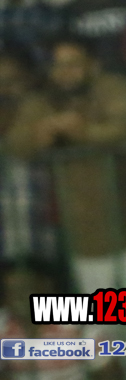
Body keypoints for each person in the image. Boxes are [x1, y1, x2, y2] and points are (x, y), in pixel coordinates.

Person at [8, 36, 126, 380]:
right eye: (58, 65)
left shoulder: (111, 88)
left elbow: (124, 127)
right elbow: (15, 143)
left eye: (73, 63)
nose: (65, 73)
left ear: (91, 65)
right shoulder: (42, 102)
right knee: (108, 339)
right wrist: (41, 133)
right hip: (85, 245)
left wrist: (83, 132)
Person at [0, 43, 57, 264]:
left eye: (11, 81)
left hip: (36, 234)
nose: (4, 89)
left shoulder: (39, 105)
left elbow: (23, 145)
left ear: (28, 80)